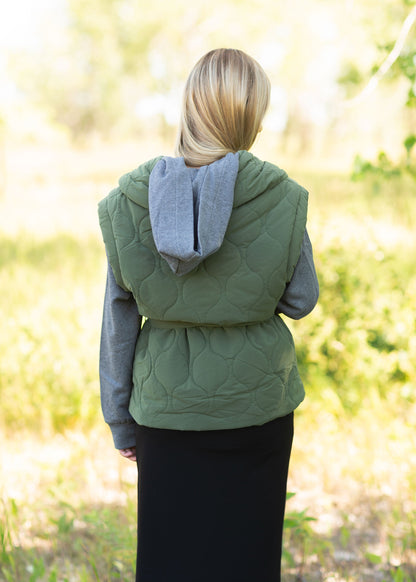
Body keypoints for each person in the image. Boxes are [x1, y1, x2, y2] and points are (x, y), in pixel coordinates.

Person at [98, 48, 319, 582]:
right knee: (247, 558)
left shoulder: (128, 200)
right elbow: (300, 299)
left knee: (169, 560)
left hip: (166, 417)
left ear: (191, 109)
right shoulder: (280, 195)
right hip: (257, 411)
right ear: (251, 115)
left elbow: (118, 322)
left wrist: (119, 417)